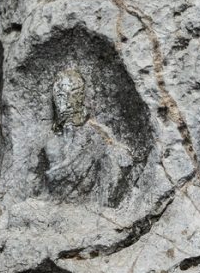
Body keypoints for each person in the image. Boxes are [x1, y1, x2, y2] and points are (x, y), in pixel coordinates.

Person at [40, 68, 133, 205]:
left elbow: (121, 159)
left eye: (68, 96)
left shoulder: (96, 133)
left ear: (79, 97)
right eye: (59, 98)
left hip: (90, 206)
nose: (63, 105)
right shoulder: (51, 142)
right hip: (55, 205)